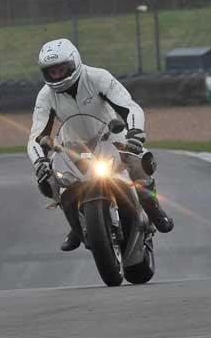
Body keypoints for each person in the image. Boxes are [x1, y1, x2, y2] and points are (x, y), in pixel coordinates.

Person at [27, 38, 174, 251]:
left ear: (74, 62)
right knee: (48, 180)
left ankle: (153, 207)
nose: (57, 75)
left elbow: (130, 107)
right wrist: (39, 161)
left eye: (61, 69)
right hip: (72, 147)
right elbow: (35, 136)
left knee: (138, 163)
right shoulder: (45, 96)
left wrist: (135, 133)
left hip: (111, 136)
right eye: (52, 72)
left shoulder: (98, 77)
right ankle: (75, 225)